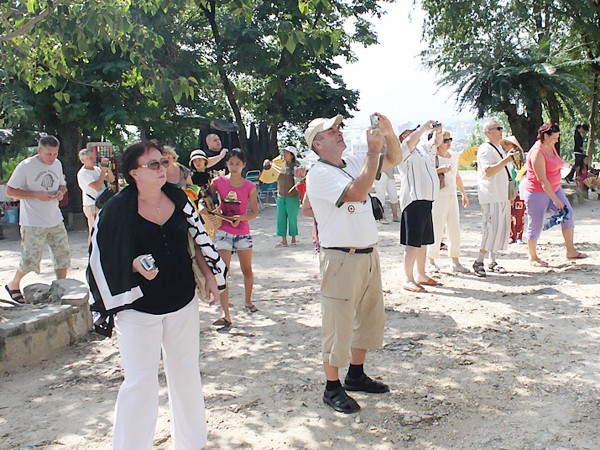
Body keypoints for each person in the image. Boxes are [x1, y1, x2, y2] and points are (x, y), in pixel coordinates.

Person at [87, 140, 227, 450]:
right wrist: (133, 264)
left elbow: (196, 240)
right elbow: (101, 256)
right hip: (138, 310)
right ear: (134, 172)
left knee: (186, 376)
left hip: (182, 302)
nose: (162, 168)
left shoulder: (178, 197)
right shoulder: (117, 209)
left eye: (163, 163)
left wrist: (208, 275)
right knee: (140, 384)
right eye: (154, 165)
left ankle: (191, 445)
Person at [305, 112, 401, 414]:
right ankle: (331, 387)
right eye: (331, 130)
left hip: (365, 253)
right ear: (317, 143)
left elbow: (394, 159)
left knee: (367, 319)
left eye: (338, 127)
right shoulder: (319, 173)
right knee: (338, 325)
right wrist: (373, 151)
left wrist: (388, 133)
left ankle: (355, 375)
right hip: (341, 258)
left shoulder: (346, 167)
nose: (338, 132)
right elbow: (359, 192)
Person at [4, 135, 70, 304]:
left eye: (55, 154)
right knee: (30, 259)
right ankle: (13, 284)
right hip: (33, 221)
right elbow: (10, 191)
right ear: (39, 150)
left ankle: (60, 287)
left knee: (62, 255)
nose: (52, 158)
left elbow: (62, 184)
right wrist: (35, 195)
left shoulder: (57, 164)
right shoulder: (26, 166)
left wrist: (61, 192)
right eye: (49, 154)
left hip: (54, 218)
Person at [521, 122, 587, 266]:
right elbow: (542, 180)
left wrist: (564, 169)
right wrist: (556, 200)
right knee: (535, 223)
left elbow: (556, 165)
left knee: (568, 214)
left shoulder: (550, 146)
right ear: (545, 136)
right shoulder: (537, 152)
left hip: (555, 187)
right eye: (554, 138)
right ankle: (532, 257)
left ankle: (571, 250)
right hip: (537, 192)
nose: (556, 141)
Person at [210, 148, 259, 327]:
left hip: (243, 232)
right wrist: (210, 210)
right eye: (231, 163)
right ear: (226, 164)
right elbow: (205, 198)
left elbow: (254, 212)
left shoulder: (249, 186)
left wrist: (241, 218)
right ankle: (225, 313)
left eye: (238, 163)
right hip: (223, 232)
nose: (234, 166)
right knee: (223, 273)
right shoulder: (218, 182)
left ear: (244, 165)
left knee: (247, 270)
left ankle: (248, 301)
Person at [397, 120, 442, 292]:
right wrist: (423, 128)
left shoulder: (422, 149)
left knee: (423, 241)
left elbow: (435, 143)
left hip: (426, 199)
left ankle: (421, 273)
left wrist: (438, 130)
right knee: (412, 242)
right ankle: (408, 278)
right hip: (413, 200)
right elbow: (409, 143)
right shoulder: (402, 149)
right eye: (411, 131)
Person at [472, 119, 517, 277]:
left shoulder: (498, 147)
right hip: (491, 195)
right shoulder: (485, 149)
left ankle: (492, 260)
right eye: (498, 128)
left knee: (500, 229)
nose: (501, 131)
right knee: (491, 229)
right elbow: (488, 171)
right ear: (488, 132)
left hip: (501, 194)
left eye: (501, 127)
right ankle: (479, 261)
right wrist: (507, 160)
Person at [427, 129, 470, 273]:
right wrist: (439, 170)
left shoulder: (453, 156)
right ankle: (431, 260)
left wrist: (463, 193)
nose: (449, 143)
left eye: (450, 139)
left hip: (452, 194)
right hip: (438, 196)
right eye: (445, 140)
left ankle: (455, 260)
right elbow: (426, 174)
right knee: (436, 228)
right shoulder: (431, 156)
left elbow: (456, 175)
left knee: (454, 228)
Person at [265, 145, 302, 246]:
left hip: (293, 196)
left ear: (292, 155)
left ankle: (294, 238)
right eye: (284, 152)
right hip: (280, 195)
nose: (284, 154)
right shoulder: (279, 165)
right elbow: (268, 168)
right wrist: (267, 163)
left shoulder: (297, 166)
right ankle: (283, 240)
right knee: (280, 218)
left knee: (292, 218)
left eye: (286, 153)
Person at [77, 148, 115, 242]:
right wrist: (102, 172)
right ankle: (92, 251)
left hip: (102, 202)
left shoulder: (97, 169)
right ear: (83, 160)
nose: (93, 160)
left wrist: (107, 168)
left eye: (94, 157)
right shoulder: (83, 173)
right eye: (90, 158)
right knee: (94, 230)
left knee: (104, 228)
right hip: (92, 205)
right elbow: (97, 186)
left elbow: (111, 179)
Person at [500, 136, 526, 244]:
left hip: (519, 186)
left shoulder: (521, 157)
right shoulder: (506, 157)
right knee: (510, 212)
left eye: (507, 143)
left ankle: (518, 235)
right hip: (510, 186)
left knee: (519, 212)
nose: (505, 146)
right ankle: (512, 235)